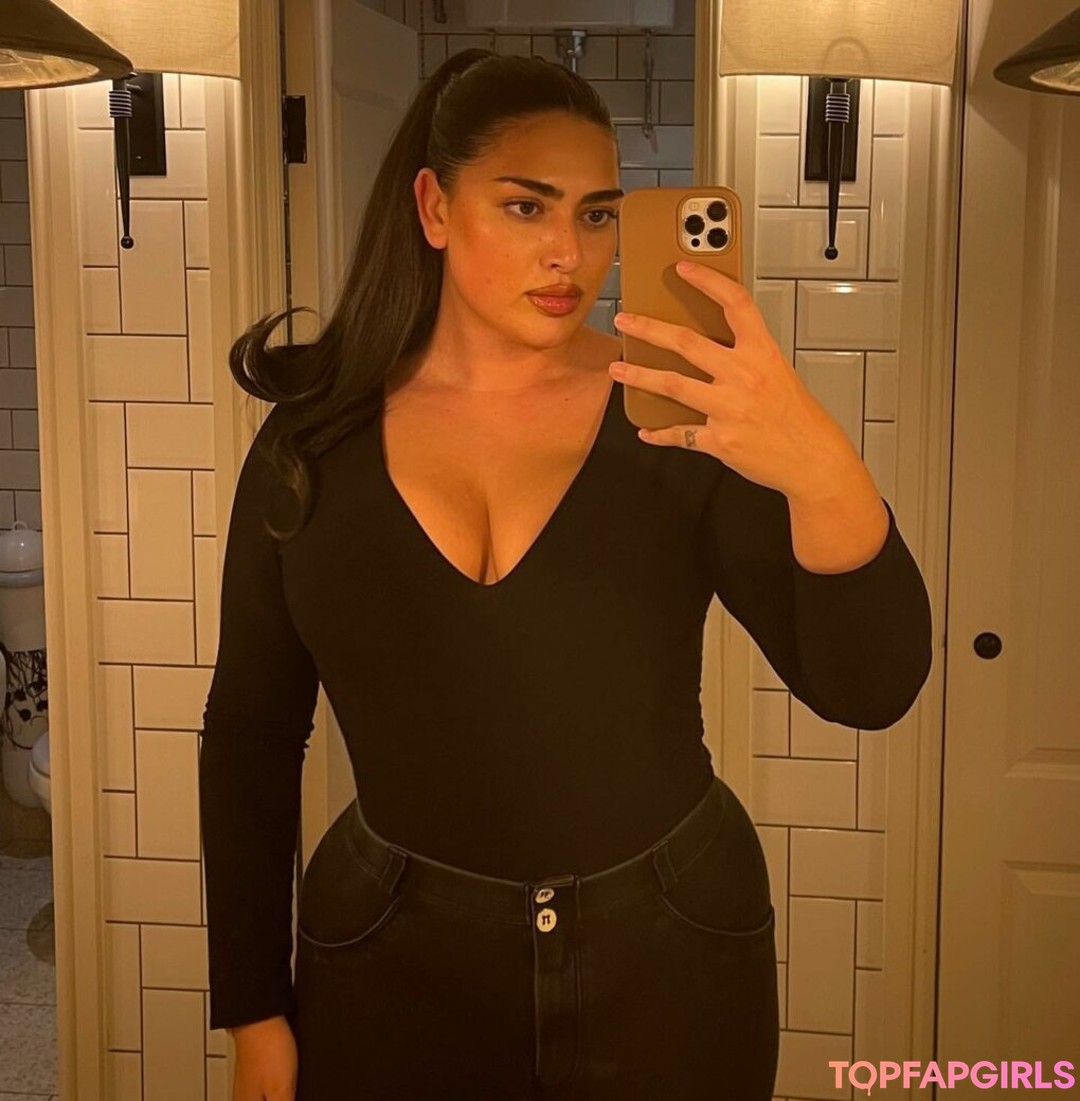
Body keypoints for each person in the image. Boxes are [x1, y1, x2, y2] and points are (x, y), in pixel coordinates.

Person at [198, 49, 933, 1101]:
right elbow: (250, 732)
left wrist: (820, 462)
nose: (569, 253)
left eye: (597, 215)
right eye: (526, 206)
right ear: (434, 207)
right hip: (393, 959)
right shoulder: (309, 449)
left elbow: (869, 687)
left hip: (668, 950)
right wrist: (253, 1008)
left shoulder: (677, 421)